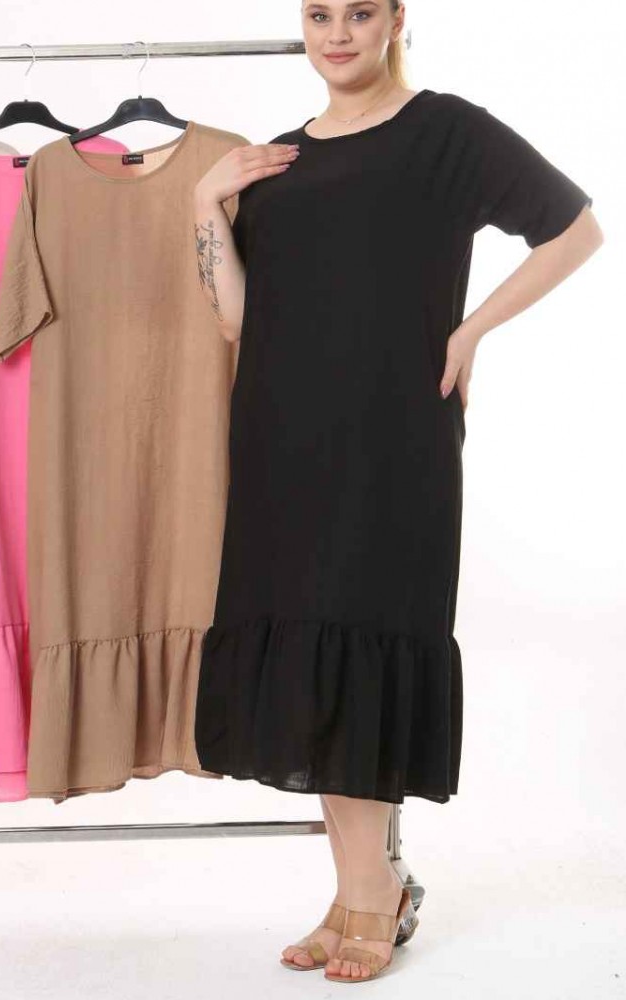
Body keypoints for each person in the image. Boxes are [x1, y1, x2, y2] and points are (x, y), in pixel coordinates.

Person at [191, 0, 603, 985]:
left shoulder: (443, 130)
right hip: (281, 442)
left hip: (390, 440)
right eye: (318, 14)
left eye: (359, 11)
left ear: (395, 18)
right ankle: (356, 894)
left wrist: (471, 330)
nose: (337, 33)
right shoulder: (277, 160)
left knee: (364, 637)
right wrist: (204, 205)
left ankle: (373, 895)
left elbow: (574, 229)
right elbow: (240, 320)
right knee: (310, 653)